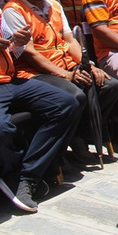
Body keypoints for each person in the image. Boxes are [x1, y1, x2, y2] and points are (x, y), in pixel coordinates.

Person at [4, 0, 118, 166]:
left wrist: (88, 65)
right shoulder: (13, 10)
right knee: (76, 95)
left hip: (66, 66)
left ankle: (79, 136)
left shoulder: (53, 5)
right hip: (35, 74)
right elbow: (29, 53)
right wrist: (66, 75)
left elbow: (69, 40)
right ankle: (67, 144)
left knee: (110, 86)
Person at [0, 22, 81, 213]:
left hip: (9, 80)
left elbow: (11, 52)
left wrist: (17, 43)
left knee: (66, 104)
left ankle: (27, 177)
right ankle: (11, 175)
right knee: (2, 128)